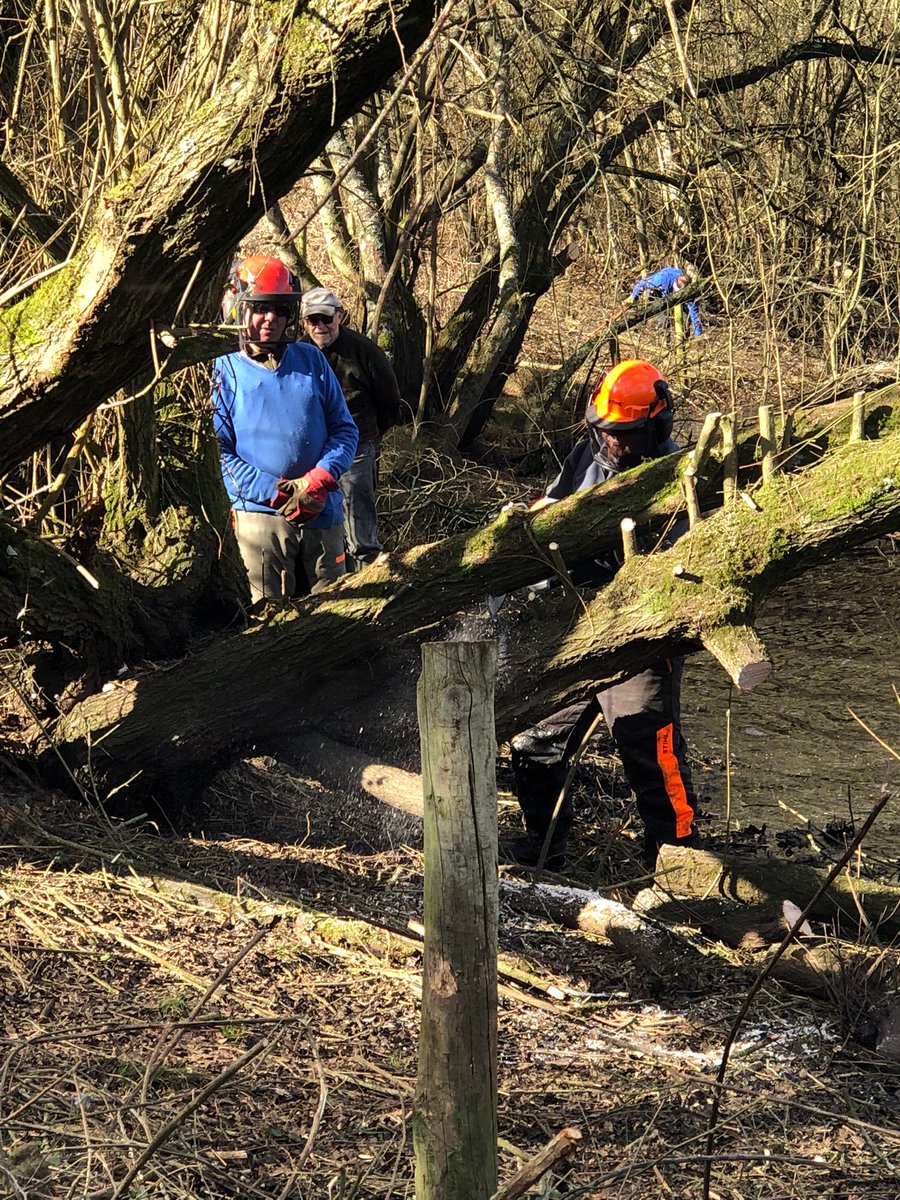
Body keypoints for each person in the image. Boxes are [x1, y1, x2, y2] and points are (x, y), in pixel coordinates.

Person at [504, 359, 698, 872]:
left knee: (648, 749)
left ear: (654, 427)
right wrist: (526, 521)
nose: (612, 443)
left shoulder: (674, 476)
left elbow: (679, 563)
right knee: (535, 740)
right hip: (572, 623)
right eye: (605, 432)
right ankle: (544, 847)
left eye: (624, 435)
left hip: (639, 634)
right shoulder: (588, 456)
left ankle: (678, 863)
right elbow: (556, 500)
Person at [212, 256, 358, 603]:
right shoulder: (223, 370)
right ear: (237, 307)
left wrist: (320, 479)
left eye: (279, 311)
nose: (270, 319)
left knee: (338, 606)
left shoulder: (311, 360)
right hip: (260, 516)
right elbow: (220, 454)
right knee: (268, 614)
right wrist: (276, 492)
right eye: (260, 309)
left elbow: (345, 430)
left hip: (321, 507)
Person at [300, 287, 404, 571]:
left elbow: (391, 401)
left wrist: (369, 436)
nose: (320, 326)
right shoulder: (299, 352)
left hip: (358, 447)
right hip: (312, 453)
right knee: (318, 523)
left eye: (326, 318)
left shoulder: (365, 351)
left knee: (359, 527)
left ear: (339, 316)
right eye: (312, 320)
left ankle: (369, 578)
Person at [629, 265, 703, 338]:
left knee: (686, 317)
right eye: (676, 291)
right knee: (662, 320)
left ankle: (682, 340)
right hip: (658, 293)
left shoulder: (688, 291)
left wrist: (698, 333)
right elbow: (643, 283)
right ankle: (663, 341)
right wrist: (633, 297)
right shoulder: (661, 279)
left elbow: (694, 311)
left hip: (674, 294)